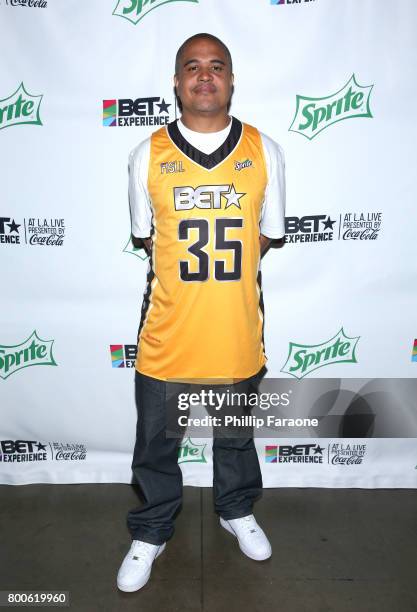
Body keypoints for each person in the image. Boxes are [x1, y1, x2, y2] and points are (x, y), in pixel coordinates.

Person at [117, 33, 286, 593]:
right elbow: (148, 240)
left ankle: (235, 510)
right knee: (156, 445)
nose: (205, 75)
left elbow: (266, 237)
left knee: (234, 439)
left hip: (236, 333)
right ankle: (152, 528)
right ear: (176, 81)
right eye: (192, 66)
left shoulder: (265, 151)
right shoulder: (147, 155)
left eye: (217, 66)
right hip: (168, 335)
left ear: (232, 79)